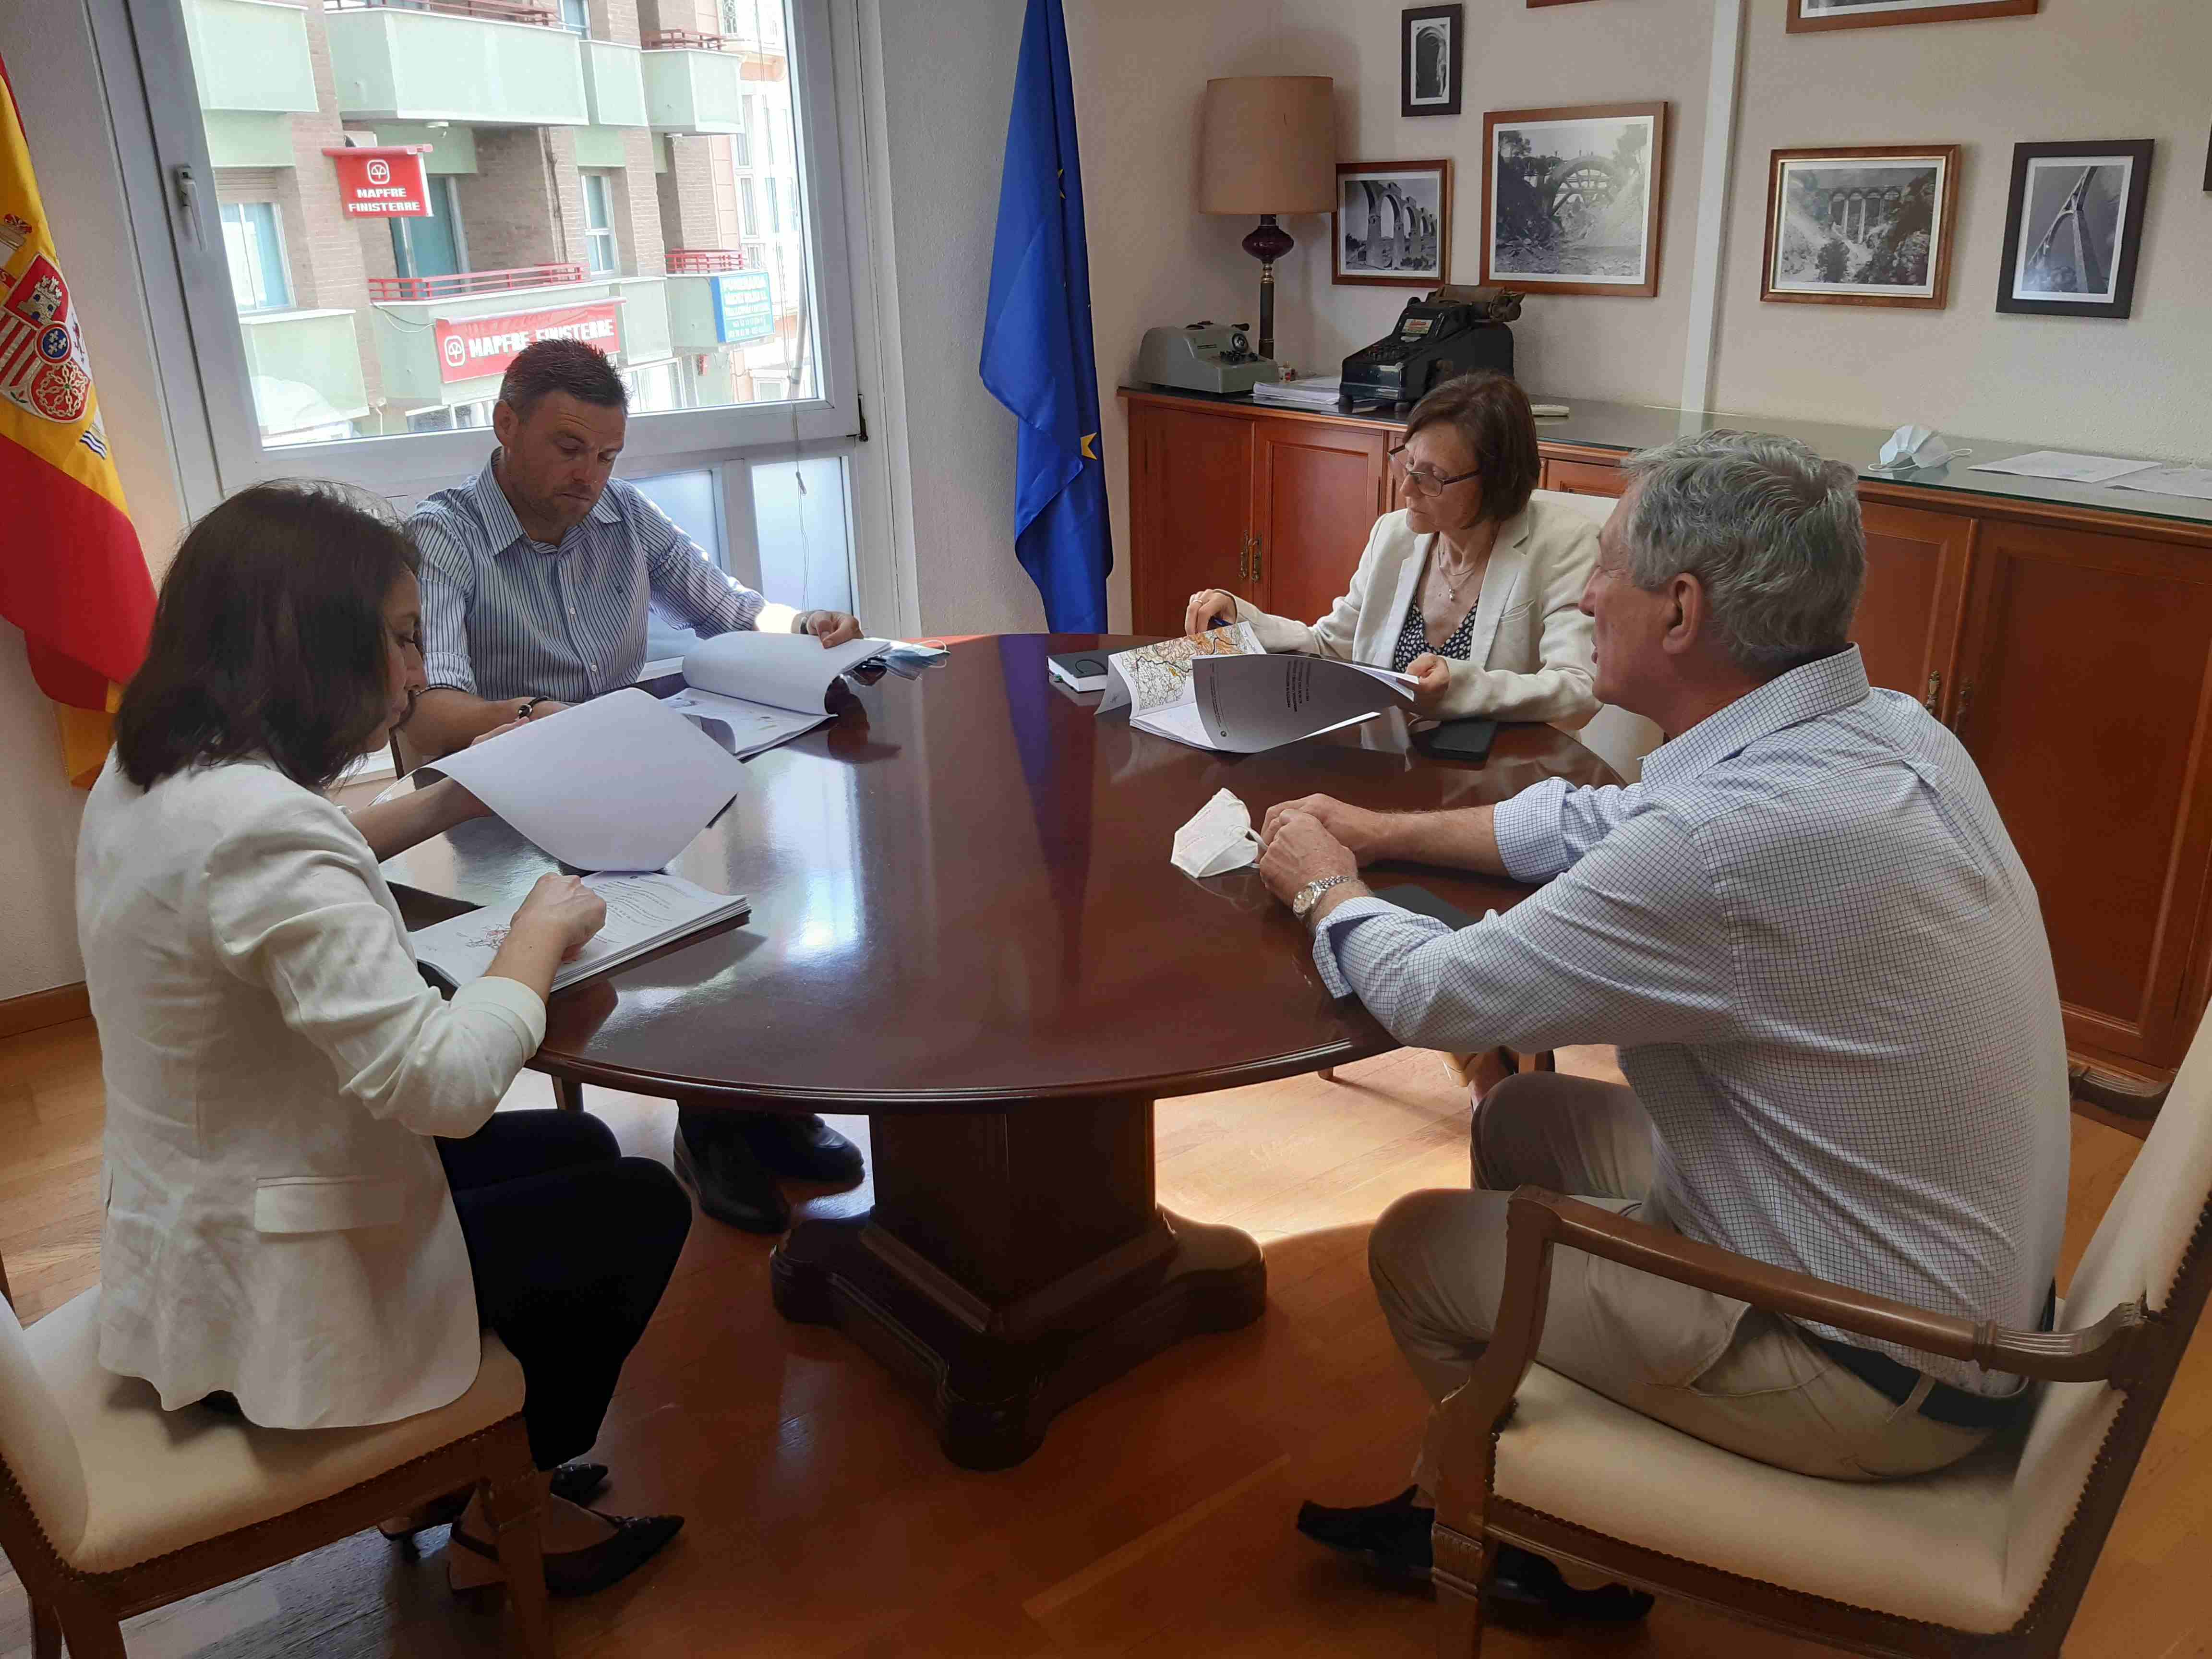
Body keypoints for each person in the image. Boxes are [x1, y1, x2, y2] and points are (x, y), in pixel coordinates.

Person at [1252, 431, 2069, 1615]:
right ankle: (1556, 1458)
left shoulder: (1735, 843)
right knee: (1527, 1111)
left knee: (1414, 1249)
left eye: (1610, 567)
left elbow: (1439, 996)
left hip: (1869, 1361)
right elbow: (1606, 824)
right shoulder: (1885, 727)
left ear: (1681, 611)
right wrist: (1383, 835)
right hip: (1948, 1295)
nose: (1584, 591)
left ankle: (1543, 1542)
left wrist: (1323, 881)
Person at [80, 481, 693, 1598]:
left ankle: (451, 1470)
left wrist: (462, 789)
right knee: (639, 1207)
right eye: (404, 640)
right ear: (313, 646)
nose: (417, 675)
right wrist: (536, 939)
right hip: (278, 1292)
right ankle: (498, 1516)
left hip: (201, 1225)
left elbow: (308, 846)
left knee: (583, 1156)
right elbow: (447, 1083)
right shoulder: (256, 829)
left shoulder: (155, 778)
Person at [405, 337, 866, 1234]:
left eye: (609, 455)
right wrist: (542, 716)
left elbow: (730, 610)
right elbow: (431, 709)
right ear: (505, 425)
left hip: (621, 775)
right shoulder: (444, 535)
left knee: (762, 861)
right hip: (501, 802)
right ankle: (712, 1124)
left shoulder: (624, 516)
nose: (591, 476)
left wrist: (802, 624)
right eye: (570, 449)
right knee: (674, 883)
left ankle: (759, 1092)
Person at [1181, 372, 1598, 725]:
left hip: (1505, 780)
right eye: (1407, 463)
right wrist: (1242, 619)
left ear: (1497, 483)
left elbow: (1579, 690)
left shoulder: (1563, 545)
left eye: (1432, 476)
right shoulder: (1394, 536)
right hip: (1391, 760)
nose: (1405, 489)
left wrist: (1464, 686)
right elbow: (1331, 646)